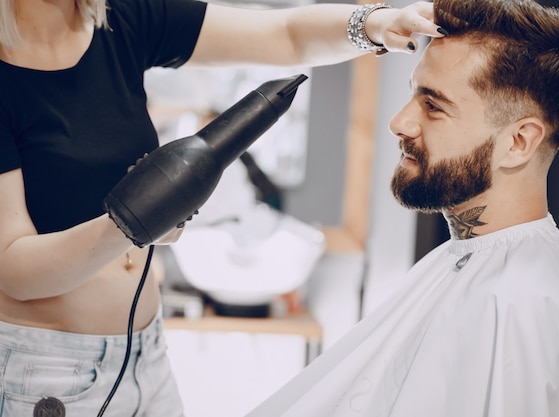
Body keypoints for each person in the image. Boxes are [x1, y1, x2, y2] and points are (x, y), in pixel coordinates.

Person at [0, 0, 447, 415]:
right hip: (46, 370)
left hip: (147, 353)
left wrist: (373, 26)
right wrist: (134, 222)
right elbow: (12, 267)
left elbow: (284, 34)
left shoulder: (122, 20)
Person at [244, 0, 559, 416]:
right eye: (414, 94)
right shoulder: (465, 262)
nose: (400, 123)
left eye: (434, 105)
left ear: (518, 143)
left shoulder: (518, 308)